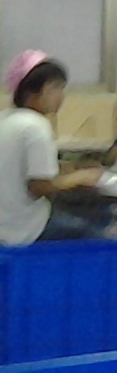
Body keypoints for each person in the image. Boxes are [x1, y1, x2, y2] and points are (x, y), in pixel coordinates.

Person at [0, 52, 102, 243]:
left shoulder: (6, 118)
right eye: (55, 88)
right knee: (98, 235)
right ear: (31, 92)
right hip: (24, 229)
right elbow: (40, 187)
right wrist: (80, 177)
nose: (61, 96)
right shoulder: (36, 126)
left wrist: (69, 168)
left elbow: (19, 168)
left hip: (4, 225)